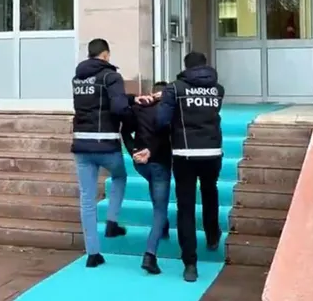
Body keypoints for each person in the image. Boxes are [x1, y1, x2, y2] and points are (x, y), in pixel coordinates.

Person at [71, 38, 153, 268]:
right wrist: (133, 115)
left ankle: (92, 254)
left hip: (81, 144)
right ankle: (112, 222)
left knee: (87, 199)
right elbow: (117, 107)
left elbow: (99, 100)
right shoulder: (111, 76)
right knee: (119, 176)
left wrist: (130, 98)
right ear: (106, 55)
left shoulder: (78, 79)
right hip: (105, 143)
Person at [156, 51, 225, 283]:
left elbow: (162, 120)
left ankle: (190, 264)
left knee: (185, 207)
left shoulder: (175, 89)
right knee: (210, 191)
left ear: (185, 67)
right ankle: (213, 235)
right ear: (205, 66)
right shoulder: (218, 89)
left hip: (184, 153)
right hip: (212, 151)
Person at [121, 81, 172, 275]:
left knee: (155, 187)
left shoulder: (139, 108)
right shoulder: (168, 110)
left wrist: (133, 151)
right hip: (160, 162)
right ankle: (150, 254)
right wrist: (150, 151)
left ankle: (164, 226)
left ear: (152, 92)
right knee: (160, 207)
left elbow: (125, 131)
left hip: (141, 164)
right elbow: (164, 135)